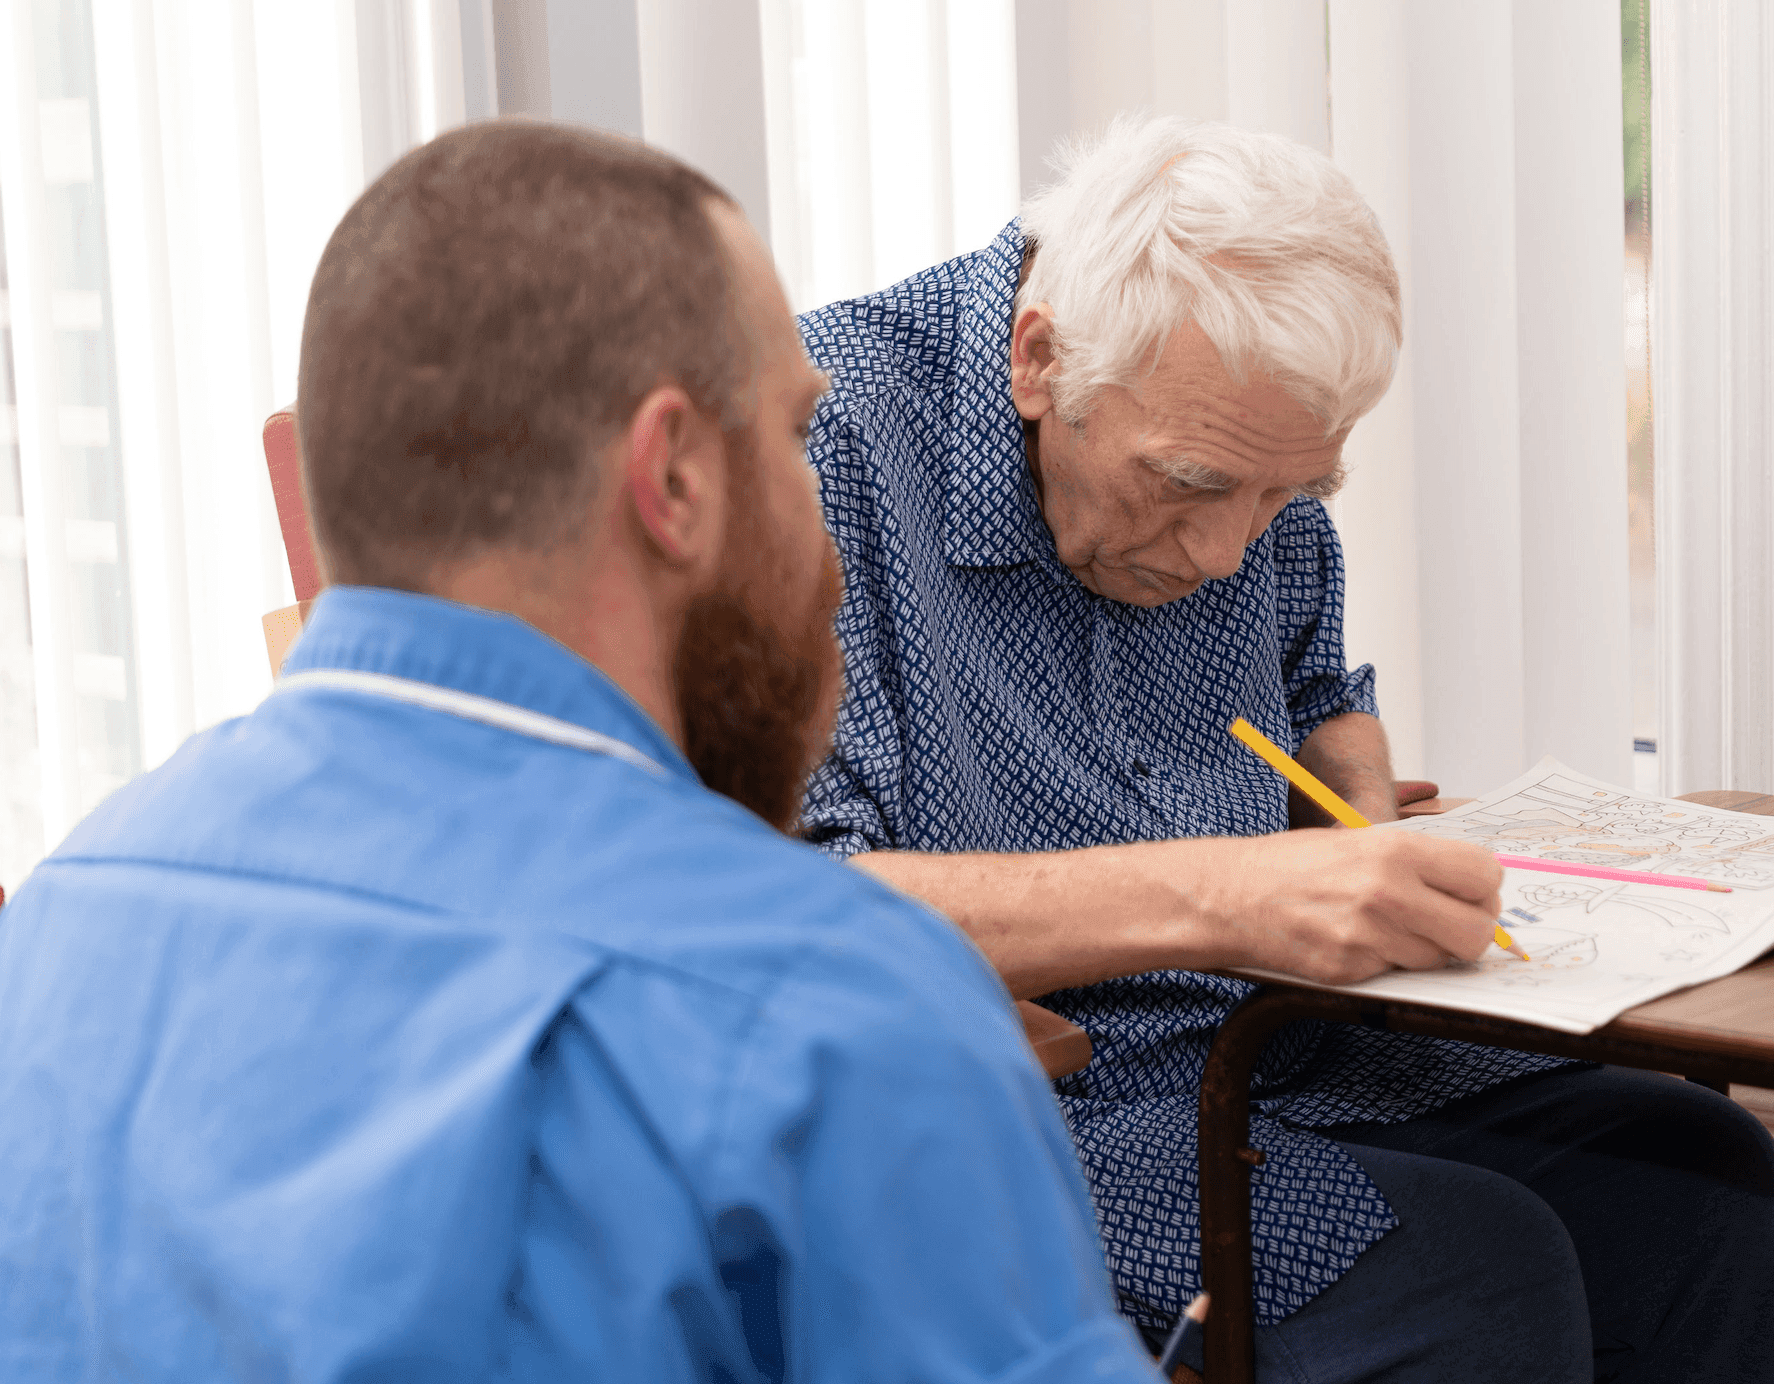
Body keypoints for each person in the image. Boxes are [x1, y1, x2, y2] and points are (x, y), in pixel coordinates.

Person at [0, 120, 1157, 1384]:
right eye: (792, 436)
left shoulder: (62, 919)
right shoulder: (836, 1015)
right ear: (673, 478)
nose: (821, 514)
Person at [798, 115, 1774, 1383]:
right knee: (1476, 1270)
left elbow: (1323, 691)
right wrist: (1242, 891)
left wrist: (1358, 815)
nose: (1226, 551)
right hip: (997, 1103)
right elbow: (796, 907)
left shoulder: (1238, 442)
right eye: (1193, 484)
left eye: (1287, 497)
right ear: (1038, 359)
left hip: (1258, 1040)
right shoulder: (819, 449)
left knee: (1702, 1182)